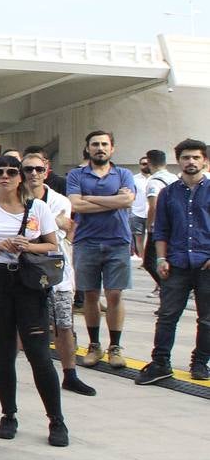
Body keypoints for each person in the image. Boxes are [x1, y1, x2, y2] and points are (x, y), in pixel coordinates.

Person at [0, 155, 68, 447]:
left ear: (20, 177)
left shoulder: (39, 207)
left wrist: (28, 245)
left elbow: (52, 244)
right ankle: (8, 414)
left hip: (29, 282)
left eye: (12, 172)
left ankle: (56, 419)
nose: (6, 177)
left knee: (39, 352)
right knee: (3, 350)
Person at [21, 152, 95, 396]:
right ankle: (3, 372)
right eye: (28, 169)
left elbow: (44, 234)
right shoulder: (13, 198)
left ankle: (70, 374)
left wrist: (43, 225)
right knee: (16, 324)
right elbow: (46, 229)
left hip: (56, 272)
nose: (33, 174)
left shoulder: (61, 200)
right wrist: (53, 223)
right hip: (22, 271)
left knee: (64, 324)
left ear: (46, 171)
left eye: (38, 169)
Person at [138, 138, 210, 384]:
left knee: (207, 318)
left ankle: (200, 363)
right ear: (178, 161)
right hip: (176, 262)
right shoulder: (168, 193)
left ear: (204, 160)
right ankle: (160, 362)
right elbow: (161, 230)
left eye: (195, 157)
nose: (190, 162)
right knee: (168, 314)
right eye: (186, 158)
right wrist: (160, 258)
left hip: (206, 264)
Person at [66, 130, 136, 370]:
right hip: (87, 242)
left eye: (104, 144)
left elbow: (127, 201)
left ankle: (115, 346)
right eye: (95, 144)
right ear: (87, 148)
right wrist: (112, 200)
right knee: (91, 295)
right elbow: (76, 205)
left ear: (112, 148)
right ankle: (94, 344)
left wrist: (91, 198)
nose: (100, 148)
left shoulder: (124, 173)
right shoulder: (76, 174)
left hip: (118, 242)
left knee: (115, 294)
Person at [141, 149, 176, 288]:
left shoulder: (154, 181)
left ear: (149, 162)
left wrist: (150, 226)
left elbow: (153, 205)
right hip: (174, 225)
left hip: (159, 227)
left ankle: (168, 288)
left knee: (149, 262)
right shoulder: (174, 177)